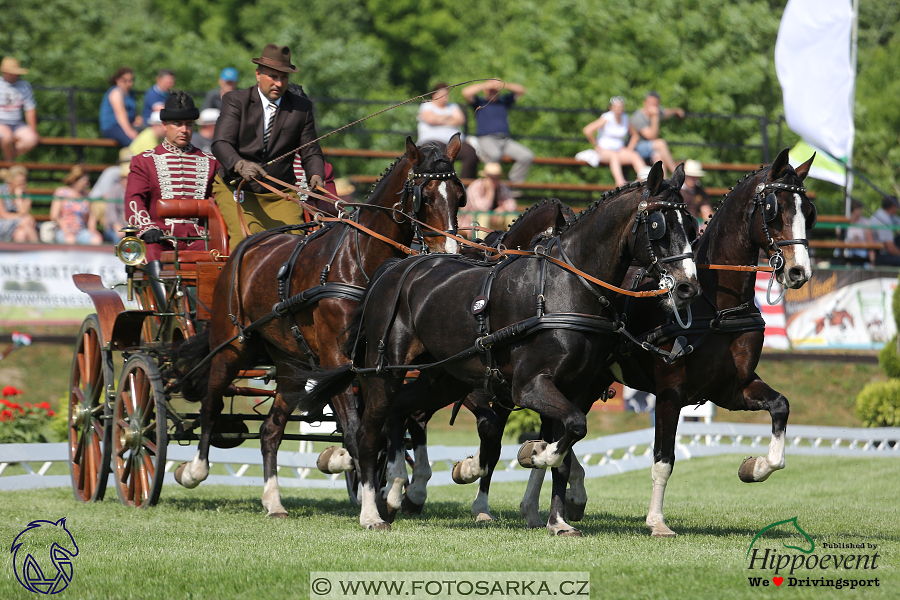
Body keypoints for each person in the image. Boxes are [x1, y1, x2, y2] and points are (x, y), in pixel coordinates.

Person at [211, 43, 326, 249]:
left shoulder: (302, 108)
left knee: (295, 247)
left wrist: (316, 176)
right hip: (236, 188)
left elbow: (311, 151)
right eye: (273, 76)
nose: (279, 83)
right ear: (258, 74)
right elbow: (220, 143)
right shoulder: (235, 101)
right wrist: (239, 164)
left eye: (284, 77)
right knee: (245, 246)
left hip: (280, 193)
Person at [125, 91, 220, 306]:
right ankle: (166, 314)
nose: (184, 130)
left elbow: (218, 204)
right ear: (165, 125)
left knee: (223, 256)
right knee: (149, 252)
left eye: (188, 124)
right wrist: (147, 228)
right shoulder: (144, 161)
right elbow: (134, 200)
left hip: (199, 240)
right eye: (177, 124)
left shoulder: (211, 162)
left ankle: (210, 314)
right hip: (160, 240)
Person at [461, 80, 533, 185]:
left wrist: (504, 84)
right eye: (490, 90)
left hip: (505, 140)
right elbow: (466, 92)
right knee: (495, 155)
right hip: (486, 138)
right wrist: (485, 85)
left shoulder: (503, 102)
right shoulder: (479, 103)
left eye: (495, 91)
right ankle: (488, 186)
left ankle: (511, 187)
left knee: (527, 156)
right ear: (485, 91)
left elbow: (521, 90)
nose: (493, 92)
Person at [576, 96, 647, 187]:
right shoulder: (607, 118)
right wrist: (596, 145)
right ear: (611, 108)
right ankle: (621, 183)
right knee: (614, 156)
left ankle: (644, 179)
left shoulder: (625, 118)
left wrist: (629, 149)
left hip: (619, 149)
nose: (618, 109)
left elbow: (635, 135)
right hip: (605, 150)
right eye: (616, 107)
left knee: (634, 155)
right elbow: (587, 130)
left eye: (620, 107)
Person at [416, 82, 478, 179]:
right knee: (437, 151)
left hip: (453, 141)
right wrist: (450, 117)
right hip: (433, 140)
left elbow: (460, 120)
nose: (445, 98)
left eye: (446, 95)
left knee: (471, 152)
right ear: (434, 94)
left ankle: (465, 183)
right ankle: (439, 180)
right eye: (442, 95)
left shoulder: (453, 106)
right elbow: (431, 119)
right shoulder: (427, 105)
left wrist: (439, 118)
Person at [627, 91, 684, 175]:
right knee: (660, 143)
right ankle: (676, 174)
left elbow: (665, 112)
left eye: (655, 104)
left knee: (659, 155)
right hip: (636, 148)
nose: (652, 106)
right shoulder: (638, 117)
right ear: (644, 103)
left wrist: (676, 111)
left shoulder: (657, 111)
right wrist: (654, 117)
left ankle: (663, 183)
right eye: (650, 103)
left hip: (650, 149)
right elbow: (652, 136)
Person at [50, 166, 102, 245]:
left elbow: (91, 215)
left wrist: (92, 229)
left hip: (81, 231)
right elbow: (54, 215)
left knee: (96, 239)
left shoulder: (86, 195)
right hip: (63, 230)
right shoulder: (61, 192)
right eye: (85, 181)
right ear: (76, 180)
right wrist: (66, 230)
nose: (87, 184)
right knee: (70, 240)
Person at [460, 162, 518, 232]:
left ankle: (513, 241)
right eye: (492, 178)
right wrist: (490, 191)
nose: (494, 181)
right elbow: (483, 209)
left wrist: (501, 209)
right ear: (485, 177)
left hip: (495, 221)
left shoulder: (502, 186)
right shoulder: (475, 187)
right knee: (483, 217)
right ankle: (481, 242)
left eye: (496, 178)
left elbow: (512, 206)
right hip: (471, 221)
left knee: (511, 217)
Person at [0, 57, 39, 161]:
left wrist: (33, 129)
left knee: (32, 139)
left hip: (17, 124)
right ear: (5, 72)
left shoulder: (24, 86)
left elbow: (30, 108)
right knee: (6, 137)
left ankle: (6, 161)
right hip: (1, 123)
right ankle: (9, 166)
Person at [99, 67, 143, 147]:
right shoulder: (116, 92)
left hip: (128, 125)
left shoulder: (130, 94)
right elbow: (120, 114)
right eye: (125, 81)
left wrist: (137, 119)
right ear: (118, 80)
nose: (128, 84)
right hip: (113, 128)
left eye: (130, 80)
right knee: (136, 144)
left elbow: (133, 112)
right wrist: (130, 132)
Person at [0, 166, 38, 242]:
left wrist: (18, 198)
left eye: (24, 181)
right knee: (25, 221)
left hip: (19, 224)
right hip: (2, 223)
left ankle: (17, 253)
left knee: (21, 233)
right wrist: (21, 218)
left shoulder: (25, 194)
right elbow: (3, 215)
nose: (23, 184)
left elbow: (24, 212)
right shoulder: (1, 191)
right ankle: (38, 249)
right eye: (20, 181)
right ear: (11, 181)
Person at [866, 195, 900, 266]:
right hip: (881, 255)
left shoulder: (886, 215)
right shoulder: (884, 220)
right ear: (893, 207)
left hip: (884, 252)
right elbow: (891, 248)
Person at [843, 199, 872, 264]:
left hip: (861, 251)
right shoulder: (843, 221)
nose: (857, 217)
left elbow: (870, 241)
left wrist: (872, 260)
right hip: (847, 250)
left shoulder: (865, 222)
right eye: (856, 215)